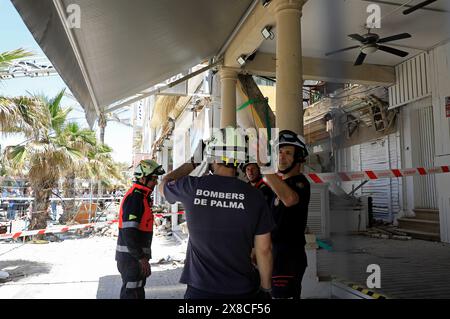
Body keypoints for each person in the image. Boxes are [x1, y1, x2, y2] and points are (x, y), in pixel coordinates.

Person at [158, 127, 274, 299]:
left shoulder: (192, 187)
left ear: (212, 156)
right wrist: (266, 289)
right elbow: (264, 249)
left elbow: (163, 184)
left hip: (200, 291)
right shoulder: (255, 195)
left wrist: (194, 162)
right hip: (242, 291)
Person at [261, 130, 311, 299]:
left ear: (299, 157)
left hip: (288, 258)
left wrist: (265, 168)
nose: (281, 157)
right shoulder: (281, 186)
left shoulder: (300, 183)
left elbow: (290, 199)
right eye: (279, 152)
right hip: (275, 255)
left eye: (288, 153)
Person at [115, 159, 165, 299]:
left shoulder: (142, 197)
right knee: (132, 294)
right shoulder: (135, 198)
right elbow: (129, 232)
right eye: (153, 178)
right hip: (132, 259)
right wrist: (141, 258)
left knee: (136, 292)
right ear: (143, 178)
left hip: (133, 258)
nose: (155, 182)